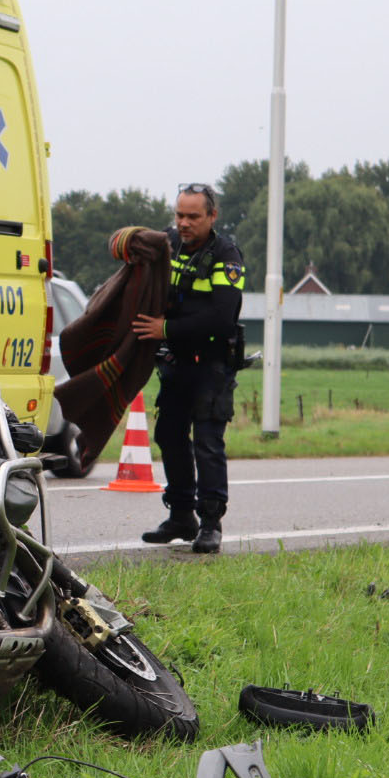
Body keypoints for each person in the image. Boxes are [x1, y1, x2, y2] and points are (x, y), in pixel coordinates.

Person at [130, 183, 245, 554]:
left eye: (193, 216)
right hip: (177, 362)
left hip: (212, 365)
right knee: (169, 435)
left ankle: (210, 523)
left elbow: (222, 317)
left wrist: (166, 328)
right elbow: (134, 247)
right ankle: (181, 516)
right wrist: (128, 240)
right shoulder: (168, 242)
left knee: (208, 443)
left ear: (212, 217)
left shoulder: (226, 256)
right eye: (179, 215)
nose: (183, 223)